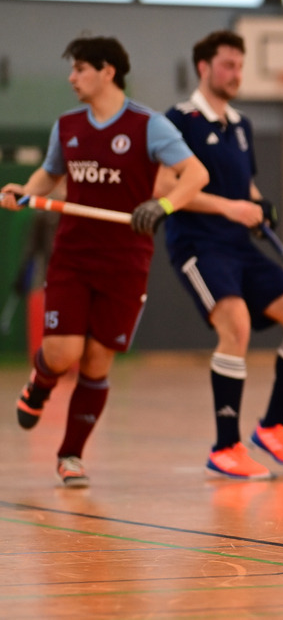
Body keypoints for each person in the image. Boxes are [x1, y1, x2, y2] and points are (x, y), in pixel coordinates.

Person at [0, 35, 209, 487]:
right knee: (61, 352)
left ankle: (70, 455)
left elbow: (196, 174)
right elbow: (49, 174)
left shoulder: (149, 126)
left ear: (107, 71)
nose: (72, 78)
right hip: (73, 255)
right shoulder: (67, 126)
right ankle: (40, 382)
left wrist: (165, 206)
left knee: (96, 362)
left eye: (79, 69)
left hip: (126, 260)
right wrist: (26, 193)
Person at [161, 30, 283, 480]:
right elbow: (163, 190)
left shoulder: (240, 125)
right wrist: (229, 206)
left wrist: (257, 205)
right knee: (236, 325)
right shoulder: (177, 120)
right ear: (203, 67)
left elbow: (244, 188)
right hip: (198, 244)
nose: (235, 74)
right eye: (227, 65)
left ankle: (272, 427)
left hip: (239, 245)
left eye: (239, 65)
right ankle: (225, 445)